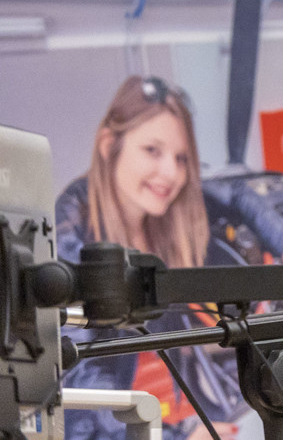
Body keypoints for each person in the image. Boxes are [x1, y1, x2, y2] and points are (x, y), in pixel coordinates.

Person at [56, 76, 243, 440]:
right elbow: (79, 372)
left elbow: (237, 194)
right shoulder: (71, 230)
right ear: (109, 146)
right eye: (152, 150)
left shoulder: (159, 221)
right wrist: (173, 437)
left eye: (181, 158)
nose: (171, 173)